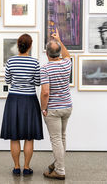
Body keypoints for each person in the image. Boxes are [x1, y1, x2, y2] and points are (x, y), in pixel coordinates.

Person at [0, 34, 43, 176]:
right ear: (30, 46)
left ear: (18, 46)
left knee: (14, 136)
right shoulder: (35, 63)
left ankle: (16, 167)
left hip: (13, 100)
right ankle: (26, 167)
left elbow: (7, 80)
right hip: (30, 100)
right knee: (29, 136)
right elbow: (37, 83)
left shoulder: (10, 61)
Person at [40, 28, 72, 180]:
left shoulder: (45, 68)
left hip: (53, 109)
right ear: (58, 53)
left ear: (47, 54)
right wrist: (59, 40)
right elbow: (67, 54)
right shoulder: (66, 64)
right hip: (67, 106)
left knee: (56, 139)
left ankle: (59, 170)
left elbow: (45, 92)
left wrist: (43, 108)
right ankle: (57, 163)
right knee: (62, 137)